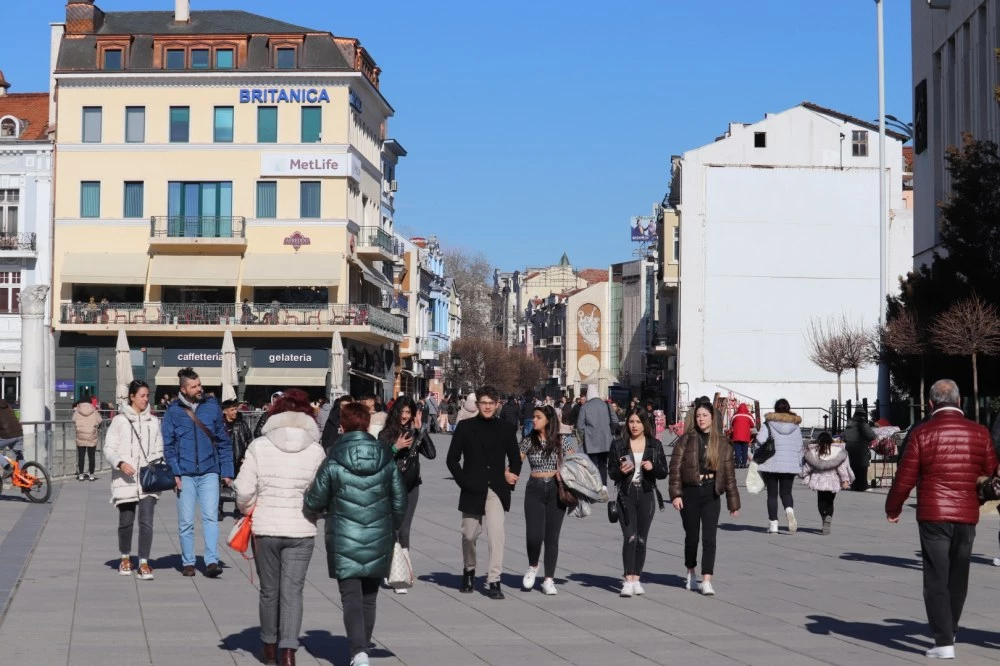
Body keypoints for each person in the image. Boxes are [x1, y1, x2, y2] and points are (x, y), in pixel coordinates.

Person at [885, 379, 999, 660]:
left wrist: (894, 507)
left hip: (933, 513)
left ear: (931, 404)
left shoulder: (922, 433)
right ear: (960, 402)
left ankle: (944, 641)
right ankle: (953, 629)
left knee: (936, 575)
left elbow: (905, 475)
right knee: (959, 574)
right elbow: (990, 471)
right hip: (967, 513)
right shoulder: (980, 432)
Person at [304, 403, 406, 666]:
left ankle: (359, 652)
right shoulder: (385, 456)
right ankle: (362, 650)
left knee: (350, 597)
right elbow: (399, 500)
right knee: (369, 598)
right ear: (367, 425)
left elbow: (315, 499)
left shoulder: (333, 457)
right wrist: (389, 525)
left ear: (343, 426)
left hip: (343, 536)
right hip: (378, 535)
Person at [235, 389, 325, 666]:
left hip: (265, 528)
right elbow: (321, 493)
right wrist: (312, 513)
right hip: (301, 529)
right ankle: (288, 652)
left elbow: (243, 488)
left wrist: (249, 509)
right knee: (293, 591)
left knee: (269, 590)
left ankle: (269, 647)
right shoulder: (315, 450)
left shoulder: (259, 446)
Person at [446, 385, 522, 599]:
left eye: (491, 403)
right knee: (469, 535)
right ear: (477, 404)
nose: (487, 407)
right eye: (484, 403)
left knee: (496, 535)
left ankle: (494, 580)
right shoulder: (465, 427)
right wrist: (463, 481)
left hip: (496, 488)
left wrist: (512, 474)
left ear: (497, 405)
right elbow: (452, 459)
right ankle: (469, 570)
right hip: (471, 488)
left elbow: (515, 459)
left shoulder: (506, 429)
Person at [162, 367, 234, 578]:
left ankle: (211, 561)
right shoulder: (173, 411)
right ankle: (189, 562)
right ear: (183, 389)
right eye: (194, 386)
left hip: (209, 470)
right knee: (186, 521)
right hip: (185, 473)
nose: (199, 388)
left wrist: (227, 471)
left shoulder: (211, 408)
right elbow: (168, 445)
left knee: (211, 517)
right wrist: (175, 472)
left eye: (199, 384)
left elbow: (223, 441)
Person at [669, 400, 739, 596]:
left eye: (704, 415)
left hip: (711, 492)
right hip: (690, 491)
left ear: (712, 418)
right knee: (692, 537)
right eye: (698, 416)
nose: (701, 419)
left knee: (710, 538)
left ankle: (707, 579)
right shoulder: (687, 439)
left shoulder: (723, 442)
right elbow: (675, 468)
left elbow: (729, 475)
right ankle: (690, 570)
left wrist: (733, 503)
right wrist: (676, 494)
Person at [103, 380, 163, 580]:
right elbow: (108, 448)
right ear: (132, 397)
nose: (146, 400)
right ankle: (125, 557)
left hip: (148, 479)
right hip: (125, 479)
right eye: (142, 396)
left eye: (147, 396)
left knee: (146, 522)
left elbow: (158, 449)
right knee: (126, 522)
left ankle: (144, 562)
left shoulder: (154, 422)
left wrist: (154, 465)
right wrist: (120, 463)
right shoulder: (119, 421)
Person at [377, 396, 437, 594]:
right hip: (391, 487)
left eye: (408, 413)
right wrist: (396, 447)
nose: (404, 416)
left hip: (411, 487)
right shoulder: (385, 433)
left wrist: (421, 431)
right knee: (393, 528)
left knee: (404, 530)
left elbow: (431, 454)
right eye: (402, 412)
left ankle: (402, 575)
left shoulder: (414, 433)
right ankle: (393, 569)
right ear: (395, 413)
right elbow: (379, 459)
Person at [609, 409, 669, 597]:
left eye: (638, 421)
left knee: (642, 539)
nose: (634, 425)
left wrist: (653, 467)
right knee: (630, 537)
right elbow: (612, 472)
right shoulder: (619, 444)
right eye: (631, 421)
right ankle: (628, 580)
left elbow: (663, 472)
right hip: (626, 494)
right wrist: (621, 470)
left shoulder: (654, 445)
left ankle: (636, 578)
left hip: (646, 494)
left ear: (645, 424)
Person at [518, 404, 574, 595]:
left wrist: (564, 472)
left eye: (538, 417)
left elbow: (575, 461)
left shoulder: (560, 440)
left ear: (548, 420)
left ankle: (549, 579)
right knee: (534, 535)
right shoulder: (528, 440)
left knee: (552, 537)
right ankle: (533, 566)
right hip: (534, 488)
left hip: (555, 489)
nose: (534, 420)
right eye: (533, 416)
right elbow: (516, 461)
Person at [755, 399, 804, 534]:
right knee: (786, 493)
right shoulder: (795, 426)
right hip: (790, 465)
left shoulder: (768, 424)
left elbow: (760, 440)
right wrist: (800, 464)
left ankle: (773, 524)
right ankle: (789, 511)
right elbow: (800, 447)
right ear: (788, 408)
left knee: (772, 495)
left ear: (775, 409)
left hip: (771, 463)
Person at [800, 431, 853, 535]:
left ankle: (824, 518)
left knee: (821, 501)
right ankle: (829, 516)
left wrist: (801, 474)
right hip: (833, 481)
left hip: (819, 481)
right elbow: (841, 468)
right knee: (830, 502)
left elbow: (808, 467)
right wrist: (845, 480)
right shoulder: (837, 452)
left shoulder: (815, 452)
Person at [576, 384, 617, 487]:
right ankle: (603, 486)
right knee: (603, 465)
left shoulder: (585, 407)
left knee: (592, 465)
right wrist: (611, 431)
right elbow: (615, 420)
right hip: (606, 441)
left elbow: (580, 426)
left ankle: (594, 487)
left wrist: (582, 437)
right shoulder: (607, 405)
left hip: (590, 441)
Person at [219, 399, 253, 519]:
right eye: (232, 409)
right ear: (225, 411)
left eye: (235, 409)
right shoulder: (219, 425)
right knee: (221, 484)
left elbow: (250, 440)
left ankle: (238, 509)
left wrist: (246, 456)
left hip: (239, 459)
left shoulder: (242, 424)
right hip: (223, 459)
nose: (235, 412)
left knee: (239, 485)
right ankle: (219, 509)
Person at [843, 408, 877, 491]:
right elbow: (870, 436)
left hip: (849, 447)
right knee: (862, 467)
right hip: (860, 448)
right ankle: (862, 486)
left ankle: (854, 485)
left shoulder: (849, 424)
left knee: (853, 466)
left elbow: (844, 437)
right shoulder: (863, 424)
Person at [72, 399, 102, 481]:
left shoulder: (77, 410)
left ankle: (81, 474)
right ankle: (91, 474)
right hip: (91, 436)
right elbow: (100, 420)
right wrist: (95, 424)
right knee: (91, 457)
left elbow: (73, 420)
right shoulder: (94, 410)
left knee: (81, 457)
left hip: (80, 435)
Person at [729, 403, 754, 469]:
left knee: (737, 450)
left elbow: (731, 423)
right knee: (744, 450)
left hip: (736, 436)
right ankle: (743, 464)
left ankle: (738, 464)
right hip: (745, 436)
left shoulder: (735, 415)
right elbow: (753, 424)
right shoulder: (749, 415)